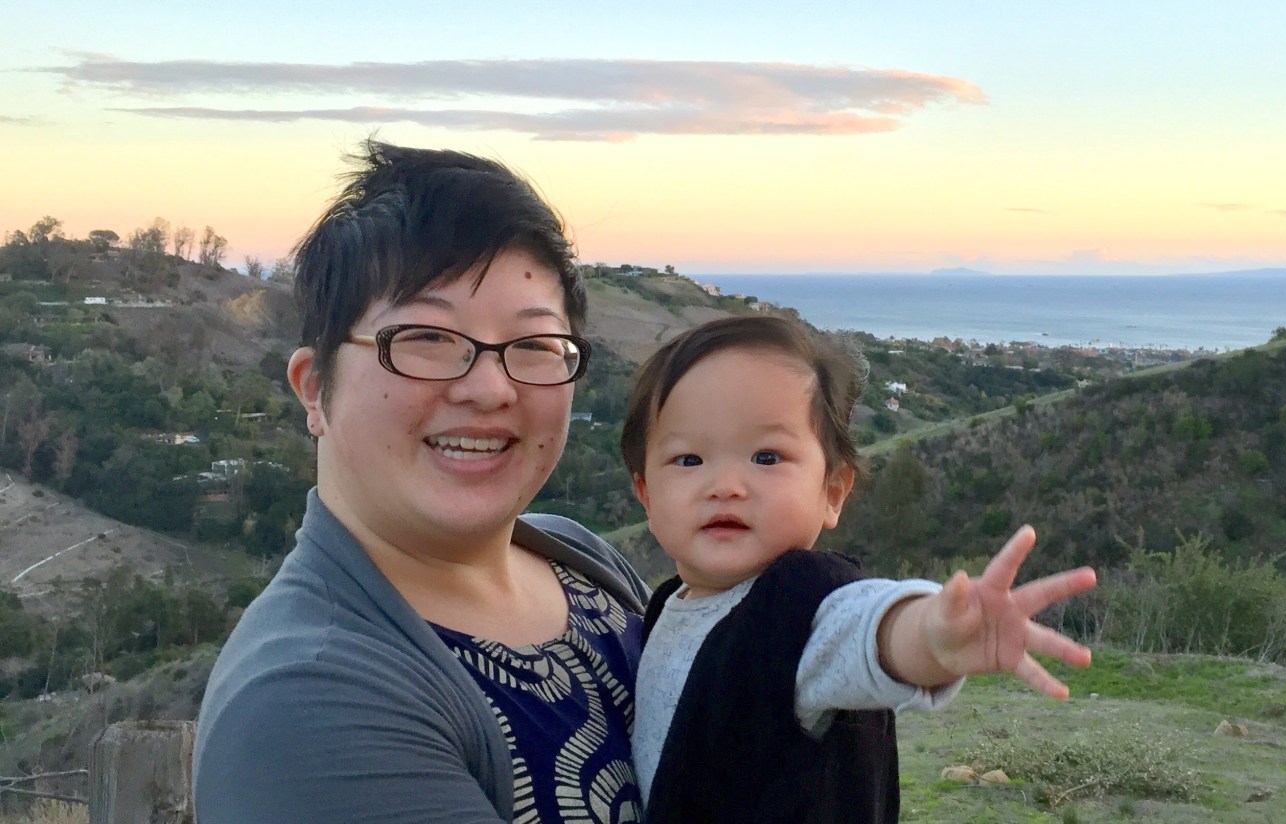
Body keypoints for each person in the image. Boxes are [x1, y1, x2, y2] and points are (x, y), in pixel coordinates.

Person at [193, 141, 653, 823]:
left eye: (531, 346)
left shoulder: (579, 561)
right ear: (315, 388)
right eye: (427, 339)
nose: (490, 388)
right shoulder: (309, 703)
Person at [619, 315, 1097, 823]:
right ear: (646, 495)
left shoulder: (798, 607)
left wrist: (932, 633)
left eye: (766, 456)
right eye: (689, 460)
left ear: (832, 492)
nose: (726, 484)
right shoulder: (666, 604)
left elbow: (868, 628)